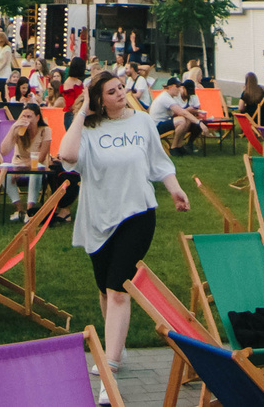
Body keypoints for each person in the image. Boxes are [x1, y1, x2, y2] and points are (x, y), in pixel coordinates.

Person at [59, 68, 190, 388]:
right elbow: (67, 155)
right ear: (99, 102)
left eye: (121, 88)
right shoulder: (88, 129)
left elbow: (158, 163)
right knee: (105, 289)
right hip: (98, 217)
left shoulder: (142, 121)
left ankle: (110, 362)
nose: (120, 94)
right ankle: (117, 344)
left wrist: (174, 188)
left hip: (137, 213)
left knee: (119, 288)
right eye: (111, 92)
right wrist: (81, 114)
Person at [3, 105, 51, 218]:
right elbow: (4, 150)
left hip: (35, 167)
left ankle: (30, 212)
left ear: (37, 117)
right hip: (18, 166)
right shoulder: (19, 131)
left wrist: (21, 168)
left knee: (36, 170)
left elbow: (41, 157)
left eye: (29, 116)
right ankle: (19, 210)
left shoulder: (45, 130)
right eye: (23, 116)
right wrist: (13, 127)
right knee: (2, 169)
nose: (26, 119)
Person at [149, 75, 208, 151]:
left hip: (162, 122)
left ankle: (179, 146)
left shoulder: (169, 96)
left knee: (186, 119)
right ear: (170, 87)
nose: (179, 89)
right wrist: (199, 122)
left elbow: (177, 113)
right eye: (177, 86)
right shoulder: (165, 98)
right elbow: (182, 112)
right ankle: (174, 147)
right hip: (156, 126)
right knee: (181, 120)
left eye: (180, 86)